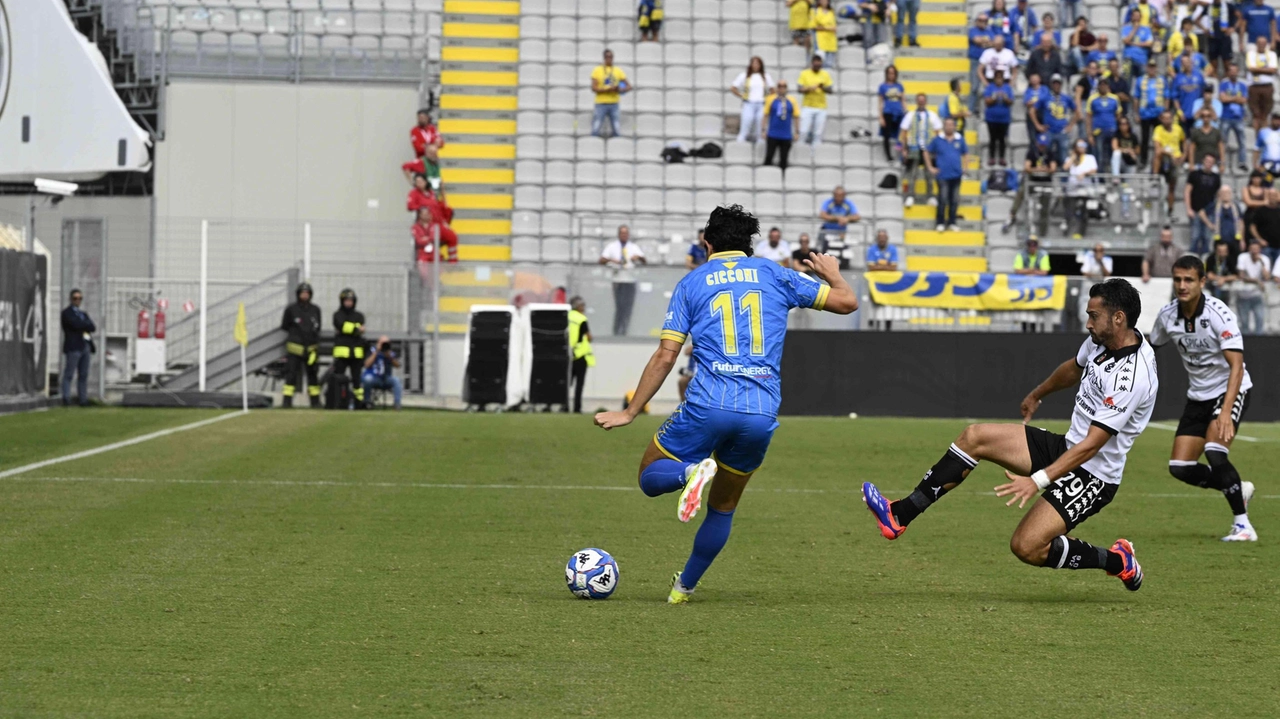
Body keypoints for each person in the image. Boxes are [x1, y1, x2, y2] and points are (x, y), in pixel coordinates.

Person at [593, 204, 858, 604]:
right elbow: (846, 302)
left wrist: (631, 411)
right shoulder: (775, 274)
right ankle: (683, 588)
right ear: (750, 244)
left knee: (650, 475)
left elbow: (667, 355)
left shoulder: (692, 283)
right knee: (723, 507)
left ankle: (689, 474)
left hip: (708, 403)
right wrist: (832, 273)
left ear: (706, 243)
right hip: (761, 410)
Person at [862, 279, 1155, 592]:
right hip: (1066, 447)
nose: (1088, 323)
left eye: (1093, 316)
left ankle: (1118, 561)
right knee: (975, 436)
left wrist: (1037, 480)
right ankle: (899, 515)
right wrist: (1037, 394)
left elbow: (1092, 446)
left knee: (1026, 546)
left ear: (1118, 318)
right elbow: (1074, 367)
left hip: (1093, 474)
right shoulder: (1102, 341)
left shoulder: (1133, 378)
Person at [1150, 255, 1258, 541]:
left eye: (1188, 280)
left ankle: (1243, 526)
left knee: (1214, 450)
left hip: (1230, 390)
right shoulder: (1167, 316)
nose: (1182, 285)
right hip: (1198, 395)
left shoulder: (1218, 314)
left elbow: (1237, 365)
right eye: (1177, 279)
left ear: (1202, 282)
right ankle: (1237, 487)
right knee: (1180, 467)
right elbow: (1150, 349)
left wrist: (1225, 411)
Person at [1004, 133, 1058, 236]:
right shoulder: (1031, 152)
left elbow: (1053, 168)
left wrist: (1040, 170)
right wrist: (1039, 170)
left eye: (1044, 145)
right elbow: (1027, 168)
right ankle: (1012, 214)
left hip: (1046, 183)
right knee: (1021, 192)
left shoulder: (1050, 153)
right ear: (1037, 143)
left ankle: (1043, 233)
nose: (1042, 147)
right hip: (1032, 182)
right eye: (1040, 144)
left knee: (1045, 208)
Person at [281, 282, 323, 408]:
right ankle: (287, 402)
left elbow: (318, 327)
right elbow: (285, 326)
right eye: (302, 293)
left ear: (310, 295)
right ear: (298, 294)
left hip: (311, 349)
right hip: (295, 349)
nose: (304, 295)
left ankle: (315, 402)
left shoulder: (315, 309)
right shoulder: (291, 309)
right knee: (291, 376)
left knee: (313, 376)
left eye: (307, 293)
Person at [599, 225, 646, 335]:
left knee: (628, 307)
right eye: (622, 233)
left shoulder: (633, 247)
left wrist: (637, 257)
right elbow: (601, 259)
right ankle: (617, 330)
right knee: (619, 306)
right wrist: (612, 260)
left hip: (630, 280)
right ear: (619, 234)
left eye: (626, 233)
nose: (624, 235)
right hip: (618, 279)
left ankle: (625, 330)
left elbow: (644, 260)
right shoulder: (612, 246)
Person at [900, 93, 942, 208]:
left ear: (926, 101)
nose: (921, 102)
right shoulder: (910, 115)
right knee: (913, 173)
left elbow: (938, 133)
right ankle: (910, 196)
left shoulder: (933, 115)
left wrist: (938, 150)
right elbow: (904, 132)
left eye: (923, 100)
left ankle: (930, 196)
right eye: (919, 100)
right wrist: (904, 149)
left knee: (929, 174)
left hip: (928, 149)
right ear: (916, 101)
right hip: (914, 147)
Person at [925, 117, 968, 232]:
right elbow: (926, 151)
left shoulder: (960, 139)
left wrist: (965, 167)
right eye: (947, 124)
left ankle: (952, 222)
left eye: (951, 124)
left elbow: (965, 153)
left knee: (954, 200)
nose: (949, 126)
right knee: (943, 198)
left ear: (954, 126)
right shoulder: (937, 139)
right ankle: (940, 222)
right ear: (944, 126)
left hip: (956, 174)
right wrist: (930, 167)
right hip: (942, 175)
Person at [331, 288, 366, 409]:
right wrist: (355, 329)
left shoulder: (359, 315)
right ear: (342, 301)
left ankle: (359, 404)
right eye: (346, 300)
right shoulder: (337, 315)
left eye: (351, 300)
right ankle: (337, 402)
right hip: (342, 354)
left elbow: (347, 327)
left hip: (356, 354)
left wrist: (347, 329)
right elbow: (341, 325)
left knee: (357, 381)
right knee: (338, 378)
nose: (348, 303)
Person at [60, 289, 95, 407]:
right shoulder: (66, 313)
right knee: (69, 373)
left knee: (83, 374)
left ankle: (83, 399)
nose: (78, 301)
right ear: (71, 299)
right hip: (73, 346)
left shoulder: (83, 314)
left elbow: (92, 326)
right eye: (75, 298)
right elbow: (75, 325)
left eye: (80, 298)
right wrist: (84, 324)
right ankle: (66, 397)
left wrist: (83, 324)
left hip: (85, 345)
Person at [1033, 73, 1075, 165]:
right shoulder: (1045, 97)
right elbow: (1032, 110)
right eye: (1054, 83)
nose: (1056, 85)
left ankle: (1064, 178)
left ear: (1061, 84)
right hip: (1049, 130)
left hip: (1062, 131)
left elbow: (1076, 111)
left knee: (1064, 155)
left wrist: (1071, 125)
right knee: (1047, 154)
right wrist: (1037, 125)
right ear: (1051, 84)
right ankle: (1048, 175)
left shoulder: (1066, 98)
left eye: (1058, 83)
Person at [1186, 153, 1223, 254]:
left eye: (1211, 162)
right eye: (1207, 161)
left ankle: (1205, 261)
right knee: (1195, 237)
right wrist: (1188, 208)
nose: (1208, 164)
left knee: (1207, 238)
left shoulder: (1216, 177)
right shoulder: (1194, 174)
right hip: (1195, 210)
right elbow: (1187, 191)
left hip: (1209, 212)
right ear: (1203, 161)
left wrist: (1216, 210)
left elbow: (1219, 195)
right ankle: (1192, 260)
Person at [732, 57, 774, 143]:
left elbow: (773, 90)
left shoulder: (766, 76)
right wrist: (741, 95)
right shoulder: (744, 75)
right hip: (748, 103)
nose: (755, 65)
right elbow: (733, 88)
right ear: (750, 65)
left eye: (757, 63)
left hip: (762, 104)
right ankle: (740, 144)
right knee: (746, 125)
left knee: (760, 128)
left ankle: (760, 145)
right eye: (754, 63)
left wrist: (767, 98)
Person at [1152, 110, 1187, 215]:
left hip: (1175, 159)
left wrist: (1184, 155)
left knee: (1172, 187)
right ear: (1161, 119)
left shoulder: (1178, 129)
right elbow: (1157, 148)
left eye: (1169, 118)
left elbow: (1184, 141)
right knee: (1158, 155)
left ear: (1172, 119)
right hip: (1164, 157)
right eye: (1164, 118)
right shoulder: (1158, 129)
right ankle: (1155, 177)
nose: (1167, 120)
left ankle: (1170, 210)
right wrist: (1169, 154)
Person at [1136, 60, 1171, 164]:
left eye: (1153, 67)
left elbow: (1167, 97)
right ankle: (1143, 161)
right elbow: (1136, 98)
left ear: (1156, 68)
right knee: (1145, 138)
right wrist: (1137, 113)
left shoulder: (1161, 80)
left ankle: (1161, 159)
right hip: (1145, 113)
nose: (1152, 69)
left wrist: (1165, 112)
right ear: (1147, 68)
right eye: (1150, 67)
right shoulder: (1140, 80)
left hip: (1159, 114)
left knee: (1160, 138)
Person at [590, 50, 630, 138]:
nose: (609, 59)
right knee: (596, 127)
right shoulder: (597, 70)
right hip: (601, 103)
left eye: (611, 57)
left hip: (614, 103)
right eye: (607, 57)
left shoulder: (618, 70)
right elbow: (593, 88)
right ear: (604, 58)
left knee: (617, 129)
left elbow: (629, 86)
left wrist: (619, 89)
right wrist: (606, 90)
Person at [797, 55, 834, 148]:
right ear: (812, 63)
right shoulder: (804, 73)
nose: (818, 65)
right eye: (816, 63)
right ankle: (801, 150)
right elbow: (799, 89)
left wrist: (823, 87)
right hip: (808, 106)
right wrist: (810, 88)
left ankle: (816, 154)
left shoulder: (825, 74)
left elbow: (830, 90)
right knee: (803, 131)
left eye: (819, 63)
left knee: (818, 133)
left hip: (821, 107)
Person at [1235, 242, 1273, 332]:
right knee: (1244, 322)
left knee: (1260, 319)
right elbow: (1241, 276)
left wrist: (1262, 263)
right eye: (1252, 249)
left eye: (1256, 249)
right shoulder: (1242, 257)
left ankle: (1259, 343)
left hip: (1257, 295)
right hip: (1243, 294)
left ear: (1260, 250)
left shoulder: (1264, 259)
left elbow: (1267, 277)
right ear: (1249, 249)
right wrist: (1256, 281)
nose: (1254, 251)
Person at [763, 80, 800, 170]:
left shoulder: (792, 100)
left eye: (784, 86)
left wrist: (797, 132)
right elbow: (766, 115)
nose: (781, 89)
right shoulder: (771, 99)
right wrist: (763, 130)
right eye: (780, 86)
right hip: (773, 133)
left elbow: (796, 116)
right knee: (768, 158)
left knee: (784, 160)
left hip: (786, 135)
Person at [1065, 139, 1098, 238]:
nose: (1082, 147)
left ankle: (1081, 233)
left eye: (1084, 144)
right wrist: (1072, 157)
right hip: (1072, 190)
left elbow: (1094, 171)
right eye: (1079, 145)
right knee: (1070, 212)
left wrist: (1084, 173)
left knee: (1083, 213)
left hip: (1085, 190)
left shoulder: (1090, 158)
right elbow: (1065, 167)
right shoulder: (1070, 158)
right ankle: (1068, 232)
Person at [1220, 62, 1251, 171]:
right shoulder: (1224, 84)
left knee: (1242, 141)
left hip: (1239, 118)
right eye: (1231, 71)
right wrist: (1236, 98)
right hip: (1226, 116)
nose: (1233, 73)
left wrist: (1230, 98)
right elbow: (1222, 99)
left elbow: (1244, 100)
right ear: (1228, 72)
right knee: (1223, 141)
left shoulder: (1242, 85)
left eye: (1235, 71)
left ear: (1238, 72)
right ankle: (1221, 161)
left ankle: (1242, 162)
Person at [567, 297, 595, 413]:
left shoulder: (566, 316)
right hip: (580, 354)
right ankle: (577, 408)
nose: (583, 308)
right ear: (577, 306)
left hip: (567, 354)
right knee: (579, 384)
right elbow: (589, 337)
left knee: (566, 383)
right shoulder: (581, 319)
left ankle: (564, 406)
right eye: (582, 306)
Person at [1085, 78, 1121, 168]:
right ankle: (1100, 177)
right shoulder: (1092, 99)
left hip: (1112, 130)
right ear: (1098, 86)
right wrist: (1089, 135)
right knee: (1099, 155)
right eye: (1101, 84)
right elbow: (1089, 117)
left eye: (1105, 84)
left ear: (1108, 86)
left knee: (1113, 154)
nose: (1103, 86)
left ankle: (1113, 174)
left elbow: (1118, 115)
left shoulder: (1114, 98)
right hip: (1098, 131)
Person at [361, 336, 403, 410]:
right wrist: (376, 352)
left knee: (396, 380)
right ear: (378, 343)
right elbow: (366, 364)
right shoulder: (372, 350)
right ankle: (367, 403)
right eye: (383, 343)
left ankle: (397, 404)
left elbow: (398, 365)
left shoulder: (390, 353)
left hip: (386, 378)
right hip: (373, 377)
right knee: (367, 379)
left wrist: (389, 356)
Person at [1245, 36, 1277, 132]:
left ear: (1266, 44)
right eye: (1260, 43)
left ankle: (1263, 136)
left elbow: (1273, 69)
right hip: (1254, 86)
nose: (1262, 45)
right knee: (1256, 114)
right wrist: (1266, 70)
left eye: (1264, 43)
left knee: (1265, 114)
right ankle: (1256, 138)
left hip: (1267, 86)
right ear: (1256, 44)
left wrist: (1258, 69)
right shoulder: (1251, 54)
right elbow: (1251, 68)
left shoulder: (1272, 54)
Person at [1172, 55, 1208, 134]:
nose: (1185, 64)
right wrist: (1179, 112)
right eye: (1183, 62)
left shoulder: (1199, 76)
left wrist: (1201, 110)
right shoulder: (1178, 78)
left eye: (1187, 61)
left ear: (1191, 62)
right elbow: (1175, 98)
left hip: (1197, 114)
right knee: (1185, 139)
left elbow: (1205, 95)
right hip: (1184, 115)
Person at [1077, 242, 1113, 322]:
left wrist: (1100, 262)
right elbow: (1085, 273)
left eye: (1100, 250)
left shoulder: (1107, 259)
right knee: (1085, 315)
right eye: (1096, 250)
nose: (1098, 252)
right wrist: (1098, 277)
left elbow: (1107, 274)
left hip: (1100, 292)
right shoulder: (1088, 257)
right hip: (1087, 292)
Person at [985, 71, 1014, 165]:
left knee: (1002, 139)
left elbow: (1011, 102)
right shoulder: (990, 87)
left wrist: (1005, 98)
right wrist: (994, 97)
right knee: (992, 139)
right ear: (994, 79)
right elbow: (987, 101)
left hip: (1004, 119)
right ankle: (992, 158)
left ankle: (1002, 158)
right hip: (991, 118)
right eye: (997, 78)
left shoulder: (1007, 88)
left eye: (1000, 78)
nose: (999, 80)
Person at [878, 65, 906, 162]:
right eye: (889, 73)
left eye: (893, 73)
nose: (891, 75)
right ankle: (888, 156)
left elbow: (903, 100)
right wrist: (880, 117)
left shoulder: (899, 86)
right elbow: (880, 102)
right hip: (888, 112)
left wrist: (905, 111)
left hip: (898, 112)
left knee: (901, 133)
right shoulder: (882, 86)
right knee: (887, 135)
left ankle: (900, 153)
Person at [968, 14, 996, 113]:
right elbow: (976, 40)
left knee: (987, 86)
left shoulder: (989, 31)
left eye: (985, 20)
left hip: (988, 62)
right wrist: (987, 42)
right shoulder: (972, 30)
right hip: (976, 60)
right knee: (975, 86)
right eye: (980, 20)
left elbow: (994, 43)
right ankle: (971, 109)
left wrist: (983, 42)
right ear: (976, 21)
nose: (983, 22)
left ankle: (983, 110)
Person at [1122, 9, 1156, 77]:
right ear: (1131, 17)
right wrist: (1134, 29)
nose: (1136, 17)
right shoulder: (1126, 28)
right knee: (1126, 80)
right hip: (1128, 58)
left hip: (1142, 59)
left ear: (1140, 17)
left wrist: (1133, 43)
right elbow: (1125, 41)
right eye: (1134, 15)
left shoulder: (1146, 29)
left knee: (1142, 81)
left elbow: (1149, 43)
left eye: (1138, 15)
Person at [1214, 186, 1246, 254]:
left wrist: (1242, 240)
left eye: (1227, 192)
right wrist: (1210, 225)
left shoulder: (1236, 206)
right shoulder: (1215, 205)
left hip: (1234, 239)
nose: (1225, 194)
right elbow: (1202, 213)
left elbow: (1241, 223)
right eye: (1223, 192)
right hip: (1220, 239)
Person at [810, 0, 839, 65]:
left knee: (830, 64)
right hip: (820, 41)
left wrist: (823, 26)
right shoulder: (815, 11)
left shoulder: (831, 12)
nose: (824, 2)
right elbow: (813, 26)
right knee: (820, 63)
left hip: (831, 41)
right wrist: (827, 28)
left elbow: (834, 27)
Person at [1022, 72, 1049, 140]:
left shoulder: (1044, 88)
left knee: (1043, 136)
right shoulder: (1028, 90)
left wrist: (1034, 101)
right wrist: (1035, 101)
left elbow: (1045, 98)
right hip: (1031, 115)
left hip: (1042, 113)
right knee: (1033, 137)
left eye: (1035, 78)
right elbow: (1026, 102)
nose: (1034, 80)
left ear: (1039, 79)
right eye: (1032, 79)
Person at [1254, 111, 1280, 178]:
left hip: (1278, 163)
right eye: (1276, 119)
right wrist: (1255, 163)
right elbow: (1257, 148)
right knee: (1266, 183)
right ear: (1271, 120)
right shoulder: (1263, 132)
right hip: (1266, 163)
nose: (1277, 122)